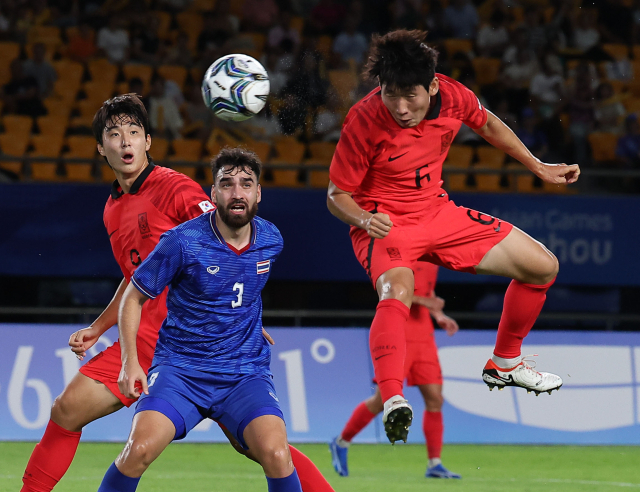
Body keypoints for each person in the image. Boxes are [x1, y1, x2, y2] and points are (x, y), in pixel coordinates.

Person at [20, 94, 334, 492]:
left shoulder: (174, 188)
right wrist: (99, 328)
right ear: (101, 147)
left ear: (148, 141)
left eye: (134, 133)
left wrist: (241, 309)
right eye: (114, 135)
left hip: (189, 338)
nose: (126, 142)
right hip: (149, 336)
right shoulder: (112, 209)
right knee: (66, 411)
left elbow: (226, 242)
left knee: (264, 448)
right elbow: (137, 278)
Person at [327, 29, 579, 444]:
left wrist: (538, 166)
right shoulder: (364, 119)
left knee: (542, 266)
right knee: (396, 292)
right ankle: (393, 399)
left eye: (411, 95)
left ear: (432, 85)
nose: (402, 108)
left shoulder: (455, 96)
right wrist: (363, 219)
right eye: (392, 95)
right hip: (384, 222)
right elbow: (337, 196)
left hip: (439, 213)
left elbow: (490, 125)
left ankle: (505, 362)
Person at [97, 147, 299, 492]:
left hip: (243, 374)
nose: (237, 193)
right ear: (213, 193)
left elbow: (244, 285)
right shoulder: (182, 242)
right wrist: (130, 362)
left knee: (278, 453)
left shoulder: (271, 239)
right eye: (227, 184)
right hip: (181, 371)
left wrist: (249, 319)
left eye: (246, 184)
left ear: (258, 193)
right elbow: (133, 297)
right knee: (139, 450)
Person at [330, 263, 462, 479]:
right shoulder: (402, 252)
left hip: (423, 335)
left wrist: (439, 315)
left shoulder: (432, 254)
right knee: (384, 399)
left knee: (435, 399)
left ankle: (434, 464)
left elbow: (428, 291)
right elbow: (389, 289)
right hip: (398, 329)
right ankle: (341, 442)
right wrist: (424, 301)